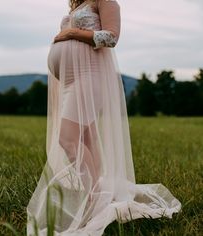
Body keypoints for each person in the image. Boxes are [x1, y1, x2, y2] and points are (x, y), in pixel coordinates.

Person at [27, 0, 181, 235]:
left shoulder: (106, 1)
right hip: (70, 82)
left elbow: (111, 38)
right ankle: (99, 196)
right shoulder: (77, 6)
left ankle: (93, 201)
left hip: (89, 78)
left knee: (67, 140)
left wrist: (71, 32)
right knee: (87, 140)